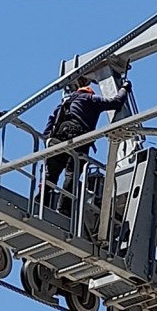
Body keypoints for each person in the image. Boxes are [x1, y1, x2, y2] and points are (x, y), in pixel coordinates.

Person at [42, 78, 131, 213]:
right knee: (72, 173)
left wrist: (47, 138)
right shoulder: (91, 99)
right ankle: (63, 208)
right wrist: (125, 88)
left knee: (51, 174)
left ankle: (41, 202)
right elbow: (116, 102)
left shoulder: (66, 102)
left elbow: (51, 118)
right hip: (79, 136)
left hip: (59, 135)